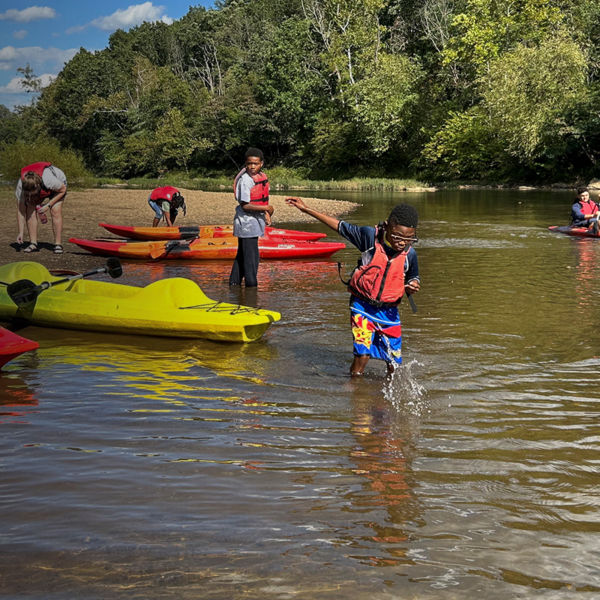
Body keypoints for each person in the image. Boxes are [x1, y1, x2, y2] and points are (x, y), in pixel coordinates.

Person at [286, 197, 420, 377]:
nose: (402, 242)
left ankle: (386, 400)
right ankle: (355, 394)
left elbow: (413, 277)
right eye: (397, 236)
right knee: (362, 357)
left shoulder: (410, 254)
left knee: (394, 366)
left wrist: (413, 285)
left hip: (389, 313)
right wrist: (307, 209)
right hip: (362, 306)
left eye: (409, 238)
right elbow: (340, 226)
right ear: (387, 226)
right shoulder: (368, 238)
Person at [229, 148, 274, 287]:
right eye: (249, 164)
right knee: (251, 259)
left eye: (255, 163)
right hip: (246, 223)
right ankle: (251, 289)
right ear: (245, 164)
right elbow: (245, 205)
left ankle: (234, 285)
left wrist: (266, 214)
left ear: (261, 163)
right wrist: (267, 208)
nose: (252, 167)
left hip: (254, 222)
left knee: (242, 256)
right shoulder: (246, 180)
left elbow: (261, 200)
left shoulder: (260, 177)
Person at [15, 161, 67, 254]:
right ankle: (33, 243)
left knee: (55, 210)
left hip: (58, 186)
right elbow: (21, 211)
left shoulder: (49, 181)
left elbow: (63, 190)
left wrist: (48, 205)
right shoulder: (21, 186)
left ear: (38, 187)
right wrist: (20, 232)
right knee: (30, 208)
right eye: (28, 195)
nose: (30, 197)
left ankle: (58, 244)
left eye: (33, 194)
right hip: (41, 188)